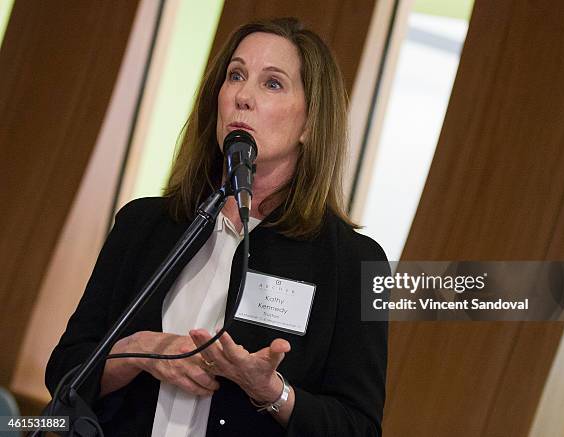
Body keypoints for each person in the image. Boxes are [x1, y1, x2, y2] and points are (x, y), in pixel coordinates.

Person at [46, 17, 388, 437]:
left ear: (310, 123)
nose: (243, 96)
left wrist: (272, 392)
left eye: (273, 83)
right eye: (236, 75)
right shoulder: (144, 225)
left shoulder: (353, 261)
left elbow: (359, 428)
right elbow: (63, 376)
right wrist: (138, 350)